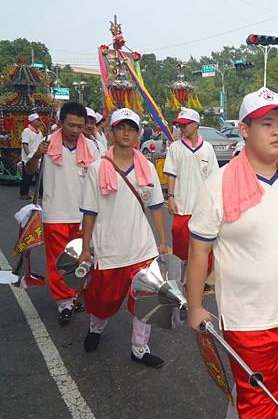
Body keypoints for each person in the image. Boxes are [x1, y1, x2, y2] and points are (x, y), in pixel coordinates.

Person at [186, 87, 278, 419]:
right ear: (245, 130)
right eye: (266, 124)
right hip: (246, 320)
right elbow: (199, 250)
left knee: (263, 387)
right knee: (265, 406)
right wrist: (195, 306)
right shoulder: (218, 185)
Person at [78, 108, 168, 367]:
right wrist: (86, 247)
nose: (126, 132)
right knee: (102, 300)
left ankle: (139, 348)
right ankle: (96, 328)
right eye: (121, 127)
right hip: (109, 250)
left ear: (138, 134)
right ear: (112, 132)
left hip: (142, 247)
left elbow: (156, 207)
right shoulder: (97, 168)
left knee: (145, 299)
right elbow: (89, 212)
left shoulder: (148, 168)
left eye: (131, 128)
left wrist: (162, 241)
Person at [25, 102, 100, 323]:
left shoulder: (92, 148)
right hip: (55, 213)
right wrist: (37, 156)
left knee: (83, 260)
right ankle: (64, 303)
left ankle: (77, 295)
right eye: (71, 125)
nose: (75, 130)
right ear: (60, 123)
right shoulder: (46, 143)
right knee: (58, 261)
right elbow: (29, 171)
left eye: (79, 125)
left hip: (84, 216)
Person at [163, 107, 218, 261]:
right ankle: (182, 281)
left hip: (202, 208)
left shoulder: (207, 149)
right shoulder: (175, 148)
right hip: (182, 208)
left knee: (204, 250)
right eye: (180, 125)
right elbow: (171, 173)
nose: (182, 128)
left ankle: (202, 282)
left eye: (186, 124)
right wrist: (171, 197)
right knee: (181, 250)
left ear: (196, 125)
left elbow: (214, 177)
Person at [19, 113, 44, 200]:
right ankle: (24, 193)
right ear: (32, 121)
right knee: (27, 177)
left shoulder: (39, 132)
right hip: (28, 157)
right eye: (37, 120)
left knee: (40, 177)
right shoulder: (27, 131)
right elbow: (25, 144)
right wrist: (29, 156)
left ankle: (41, 194)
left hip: (38, 157)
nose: (39, 121)